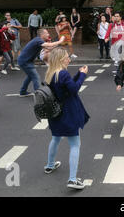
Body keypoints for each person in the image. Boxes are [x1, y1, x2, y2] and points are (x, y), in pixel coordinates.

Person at [44, 47, 90, 190]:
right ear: (60, 59)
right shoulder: (62, 73)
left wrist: (77, 74)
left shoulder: (51, 73)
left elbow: (68, 86)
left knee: (56, 138)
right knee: (75, 145)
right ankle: (72, 179)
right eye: (66, 57)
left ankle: (50, 165)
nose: (69, 59)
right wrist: (82, 75)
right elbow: (74, 89)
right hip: (68, 113)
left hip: (55, 113)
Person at [17, 29, 65, 97]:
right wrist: (60, 41)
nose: (48, 34)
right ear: (42, 34)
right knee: (35, 77)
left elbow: (48, 48)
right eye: (47, 33)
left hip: (27, 61)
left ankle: (22, 92)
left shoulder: (39, 41)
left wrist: (59, 43)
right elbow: (49, 45)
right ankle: (39, 95)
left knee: (30, 76)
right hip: (25, 61)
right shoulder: (38, 40)